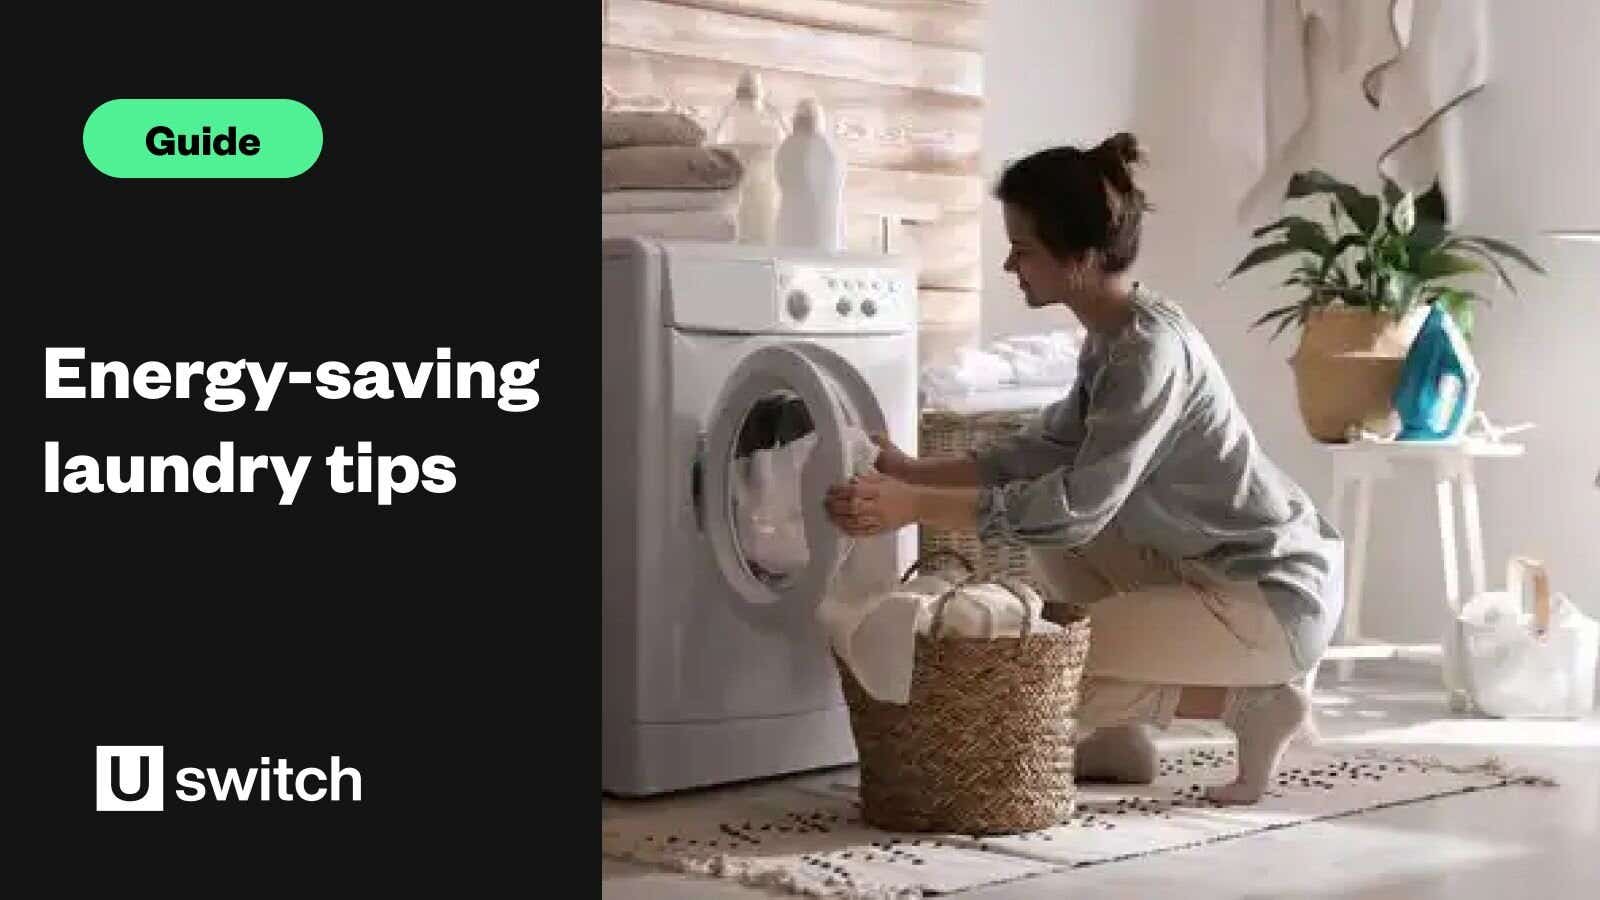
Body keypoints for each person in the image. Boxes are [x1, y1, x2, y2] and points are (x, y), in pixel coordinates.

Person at [824, 133, 1343, 805]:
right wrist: (915, 471)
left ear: (1082, 255)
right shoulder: (1112, 336)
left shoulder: (1147, 352)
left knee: (1050, 658)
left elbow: (1076, 504)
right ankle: (1122, 738)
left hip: (1270, 593)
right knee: (1054, 554)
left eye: (1024, 249)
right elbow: (1041, 453)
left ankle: (1255, 705)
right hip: (1208, 565)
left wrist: (913, 506)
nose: (1012, 264)